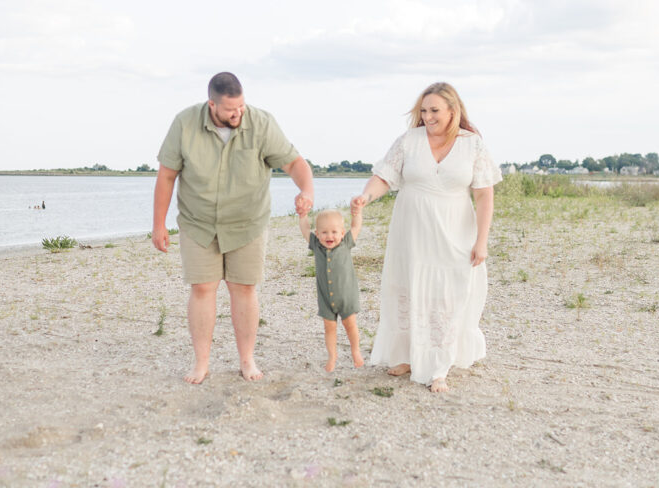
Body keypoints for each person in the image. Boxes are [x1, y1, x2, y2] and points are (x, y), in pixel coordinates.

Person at [152, 72, 313, 384]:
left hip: (247, 222)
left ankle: (247, 360)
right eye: (230, 110)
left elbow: (294, 163)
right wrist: (159, 225)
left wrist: (306, 191)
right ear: (212, 105)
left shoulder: (262, 123)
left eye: (241, 107)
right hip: (198, 223)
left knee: (244, 288)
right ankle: (201, 363)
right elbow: (167, 175)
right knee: (202, 289)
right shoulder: (184, 123)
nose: (238, 113)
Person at [351, 81, 501, 393]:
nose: (428, 116)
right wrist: (366, 196)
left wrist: (482, 240)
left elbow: (484, 196)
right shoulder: (409, 140)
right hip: (412, 230)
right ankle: (406, 355)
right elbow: (384, 177)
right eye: (423, 110)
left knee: (447, 295)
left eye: (434, 110)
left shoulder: (472, 144)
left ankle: (439, 367)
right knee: (409, 286)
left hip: (454, 230)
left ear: (452, 111)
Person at [299, 208, 364, 372]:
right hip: (326, 298)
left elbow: (356, 227)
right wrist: (303, 215)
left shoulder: (346, 243)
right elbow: (305, 230)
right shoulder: (316, 246)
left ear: (342, 233)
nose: (330, 236)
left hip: (346, 296)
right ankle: (332, 356)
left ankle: (355, 351)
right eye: (324, 232)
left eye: (334, 232)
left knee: (350, 325)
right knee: (329, 327)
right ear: (318, 234)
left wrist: (357, 212)